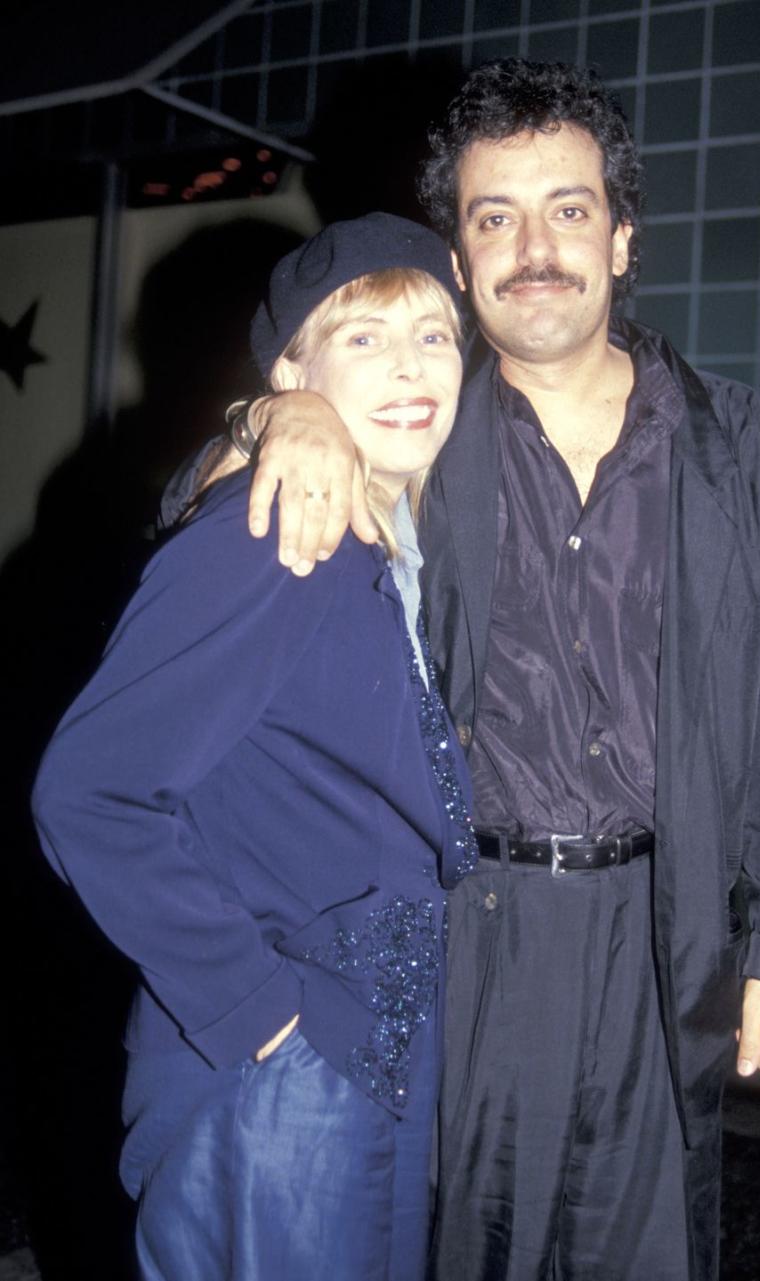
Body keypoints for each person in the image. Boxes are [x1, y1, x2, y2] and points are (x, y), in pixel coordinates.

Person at [184, 59, 760, 1281]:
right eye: (495, 218)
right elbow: (196, 514)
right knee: (448, 1245)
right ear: (459, 254)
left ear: (623, 236)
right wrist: (272, 417)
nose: (534, 248)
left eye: (569, 210)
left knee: (646, 1251)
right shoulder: (411, 424)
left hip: (664, 926)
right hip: (462, 929)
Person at [32, 212, 476, 1281]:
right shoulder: (280, 531)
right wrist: (261, 1014)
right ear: (294, 370)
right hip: (287, 1058)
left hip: (363, 1038)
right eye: (364, 338)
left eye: (435, 336)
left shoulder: (375, 530)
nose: (412, 369)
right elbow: (91, 793)